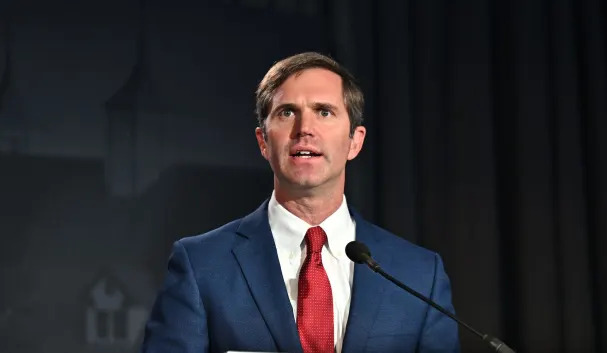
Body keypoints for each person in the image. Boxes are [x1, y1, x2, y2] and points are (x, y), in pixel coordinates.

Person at [141, 52, 460, 353]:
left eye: (324, 111)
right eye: (287, 112)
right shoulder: (201, 266)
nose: (304, 129)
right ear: (263, 141)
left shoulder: (419, 275)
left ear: (355, 141)